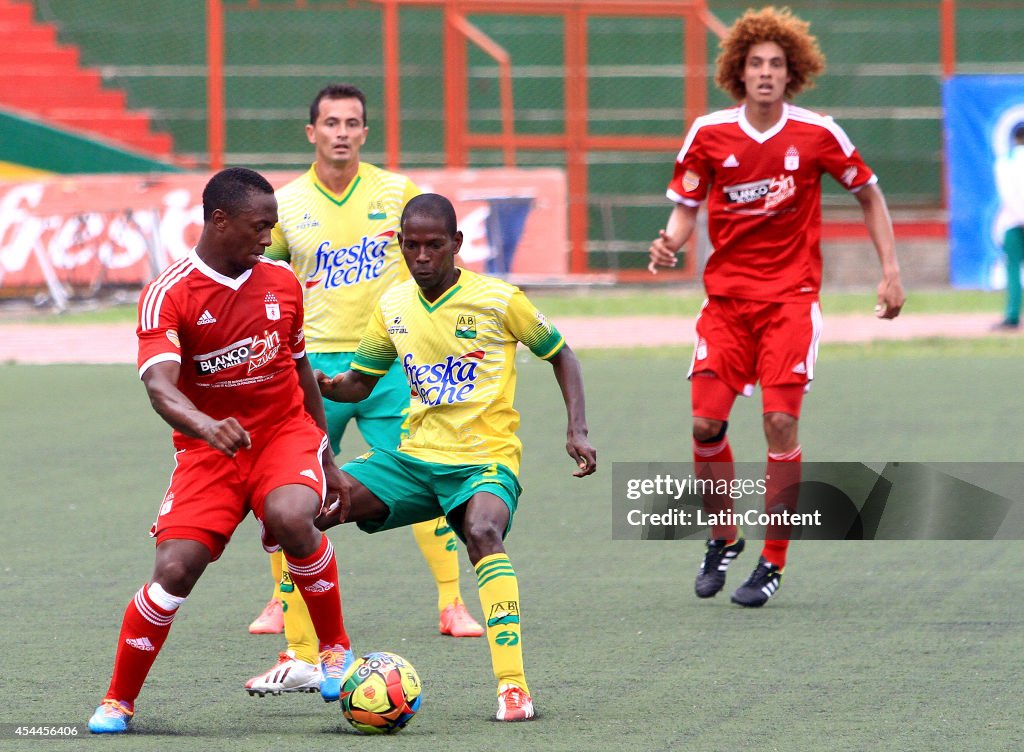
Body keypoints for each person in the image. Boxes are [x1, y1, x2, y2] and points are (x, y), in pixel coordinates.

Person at [648, 6, 905, 607]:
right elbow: (687, 206)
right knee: (705, 425)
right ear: (739, 71)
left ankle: (773, 560)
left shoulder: (817, 133)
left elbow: (868, 192)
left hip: (789, 302)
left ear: (794, 74)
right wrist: (670, 242)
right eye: (756, 63)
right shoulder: (708, 133)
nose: (766, 73)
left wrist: (891, 272)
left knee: (780, 422)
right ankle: (724, 536)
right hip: (726, 305)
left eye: (777, 65)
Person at [87, 167, 354, 734]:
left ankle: (334, 650)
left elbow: (300, 369)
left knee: (289, 517)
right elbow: (159, 386)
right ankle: (118, 700)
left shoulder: (282, 282)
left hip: (284, 435)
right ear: (219, 220)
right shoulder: (169, 294)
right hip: (210, 453)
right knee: (174, 570)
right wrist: (208, 427)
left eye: (273, 226)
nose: (268, 238)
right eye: (260, 226)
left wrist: (325, 455)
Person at [313, 192, 597, 721]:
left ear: (457, 245)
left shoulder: (498, 299)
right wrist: (324, 384)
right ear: (399, 245)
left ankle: (513, 687)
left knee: (483, 532)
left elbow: (562, 354)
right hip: (415, 459)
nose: (422, 256)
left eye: (434, 245)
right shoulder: (393, 306)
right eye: (412, 246)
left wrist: (576, 429)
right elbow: (359, 382)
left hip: (485, 459)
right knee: (307, 506)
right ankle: (318, 654)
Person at [245, 84, 484, 697]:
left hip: (387, 366)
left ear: (365, 132)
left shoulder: (396, 193)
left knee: (425, 474)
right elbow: (260, 273)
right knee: (290, 486)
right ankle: (282, 602)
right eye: (331, 123)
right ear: (312, 132)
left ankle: (452, 604)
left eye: (353, 122)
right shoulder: (288, 203)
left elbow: (438, 267)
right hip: (311, 365)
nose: (342, 132)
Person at [993, 123, 1024, 330]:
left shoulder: (1006, 161)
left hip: (1013, 221)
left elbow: (1006, 194)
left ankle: (1012, 316)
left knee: (1013, 268)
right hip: (1014, 219)